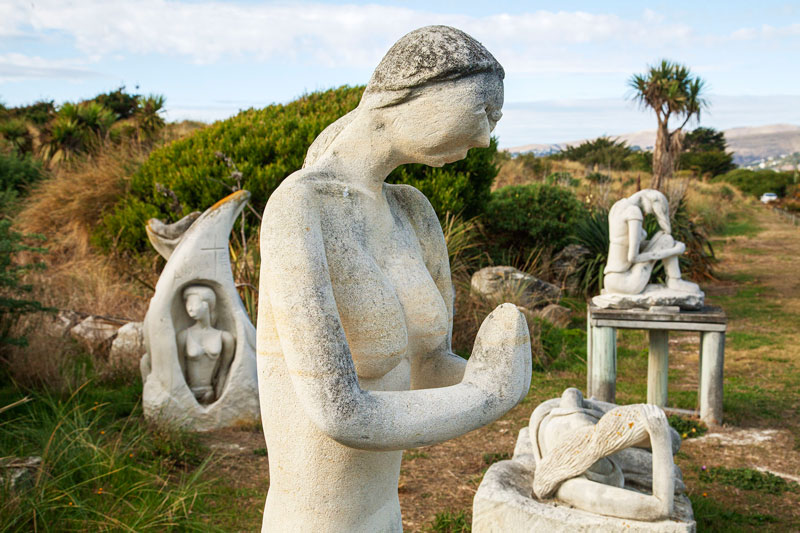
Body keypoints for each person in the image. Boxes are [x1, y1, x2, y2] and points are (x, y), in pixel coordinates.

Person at [257, 26, 531, 532]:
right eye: (480, 113)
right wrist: (489, 393)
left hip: (385, 511)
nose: (483, 138)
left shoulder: (413, 210)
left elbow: (428, 369)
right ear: (415, 94)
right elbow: (341, 414)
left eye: (493, 120)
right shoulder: (300, 206)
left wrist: (497, 372)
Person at [530, 388, 677, 521]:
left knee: (673, 441)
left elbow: (572, 393)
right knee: (673, 459)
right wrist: (659, 434)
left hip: (556, 413)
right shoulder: (573, 487)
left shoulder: (574, 423)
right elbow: (660, 508)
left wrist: (658, 431)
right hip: (573, 425)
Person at [603, 189, 700, 295]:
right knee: (667, 239)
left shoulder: (618, 206)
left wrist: (653, 241)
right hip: (625, 283)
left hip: (610, 281)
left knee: (663, 239)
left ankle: (674, 280)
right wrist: (675, 251)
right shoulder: (633, 212)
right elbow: (633, 257)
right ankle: (674, 280)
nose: (648, 213)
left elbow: (625, 245)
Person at [177, 285, 235, 404]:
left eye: (194, 304)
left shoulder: (225, 337)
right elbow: (179, 368)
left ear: (206, 305)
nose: (190, 309)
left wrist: (220, 391)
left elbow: (224, 370)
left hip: (211, 393)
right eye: (188, 305)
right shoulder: (183, 336)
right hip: (189, 393)